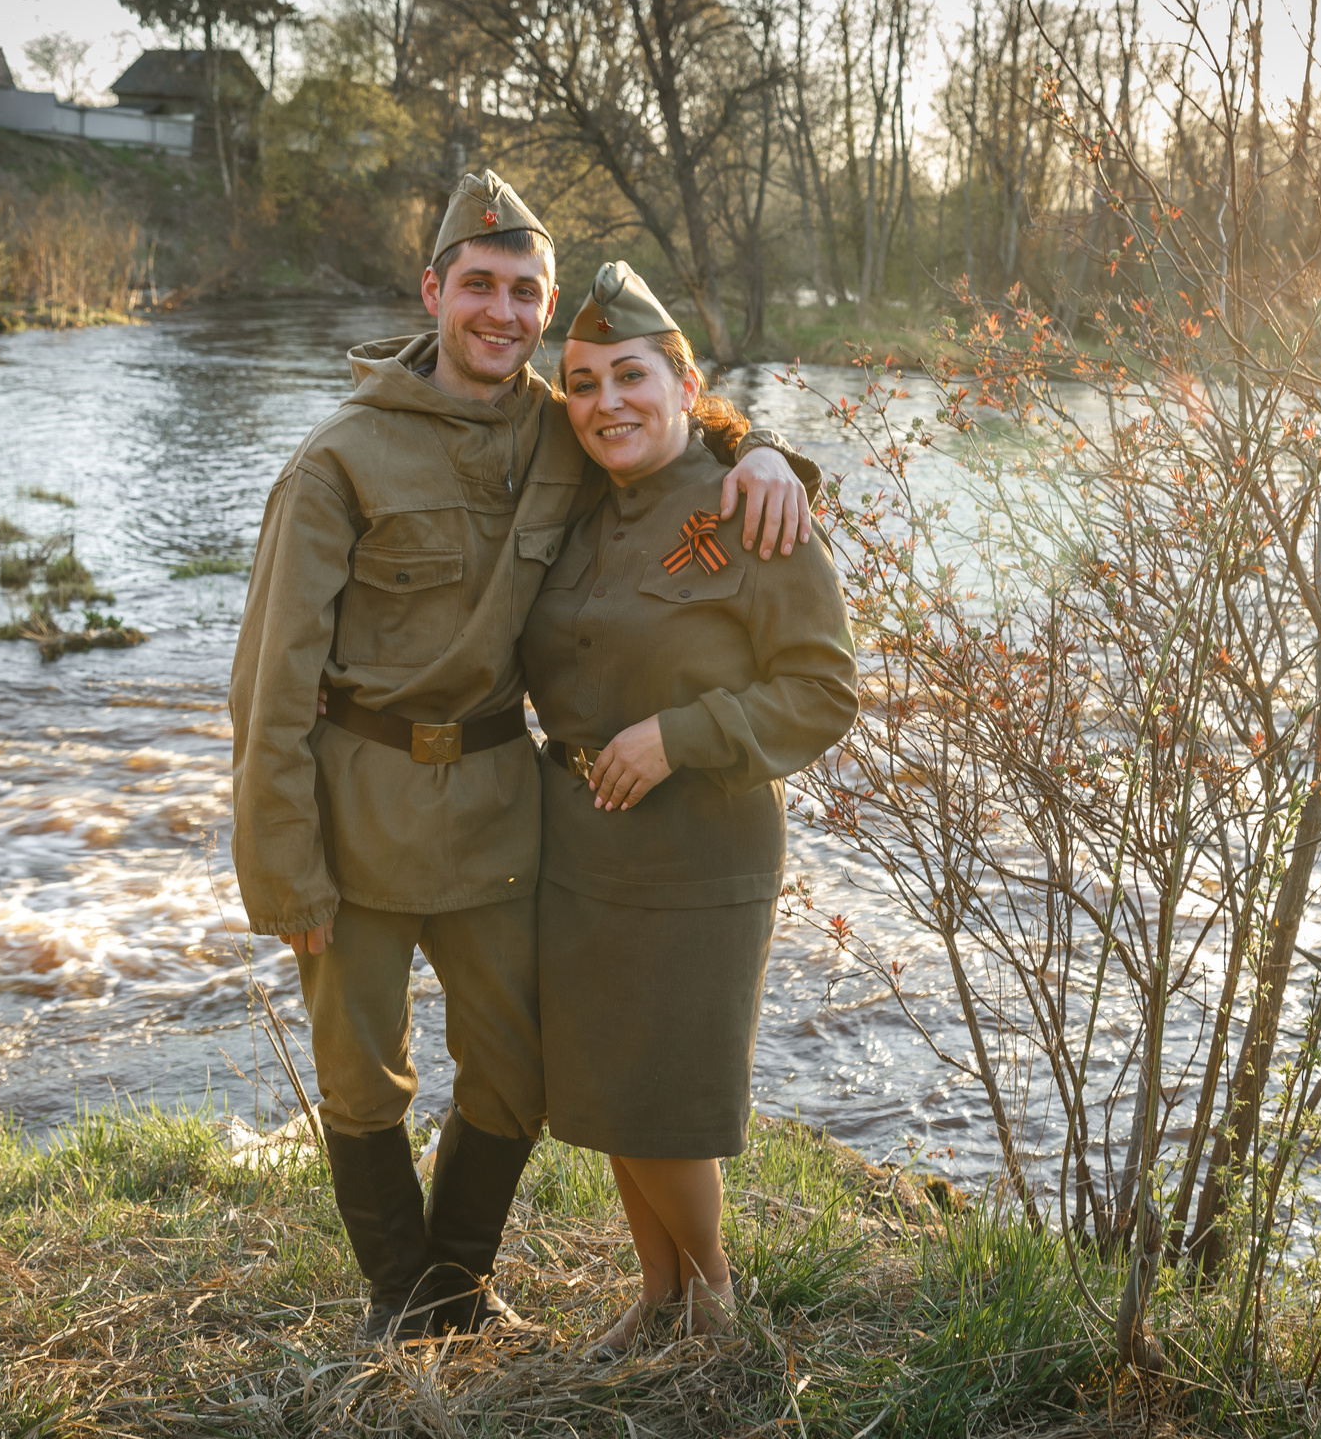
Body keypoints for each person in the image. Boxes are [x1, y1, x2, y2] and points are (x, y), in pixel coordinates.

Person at [228, 172, 820, 1342]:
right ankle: (408, 1304)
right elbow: (270, 685)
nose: (501, 313)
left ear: (545, 308)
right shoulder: (337, 463)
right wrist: (280, 867)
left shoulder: (561, 422)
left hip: (505, 808)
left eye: (524, 294)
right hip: (358, 810)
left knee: (517, 1072)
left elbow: (663, 418)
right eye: (480, 287)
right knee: (362, 1078)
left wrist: (763, 453)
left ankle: (462, 1285)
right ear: (434, 291)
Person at [521, 262, 857, 1353]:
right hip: (577, 843)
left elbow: (820, 691)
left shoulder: (750, 500)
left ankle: (713, 1306)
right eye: (580, 383)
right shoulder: (574, 500)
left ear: (682, 383)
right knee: (612, 1088)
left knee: (664, 1091)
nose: (605, 402)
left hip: (698, 849)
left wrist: (677, 738)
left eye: (629, 376)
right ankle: (656, 1294)